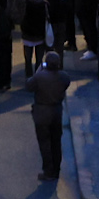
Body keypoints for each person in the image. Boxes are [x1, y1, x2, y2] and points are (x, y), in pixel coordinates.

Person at [27, 49, 69, 181]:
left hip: (42, 112)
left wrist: (38, 71)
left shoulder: (40, 77)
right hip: (56, 111)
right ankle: (56, 169)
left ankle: (48, 170)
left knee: (45, 142)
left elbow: (29, 86)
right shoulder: (64, 77)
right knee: (56, 141)